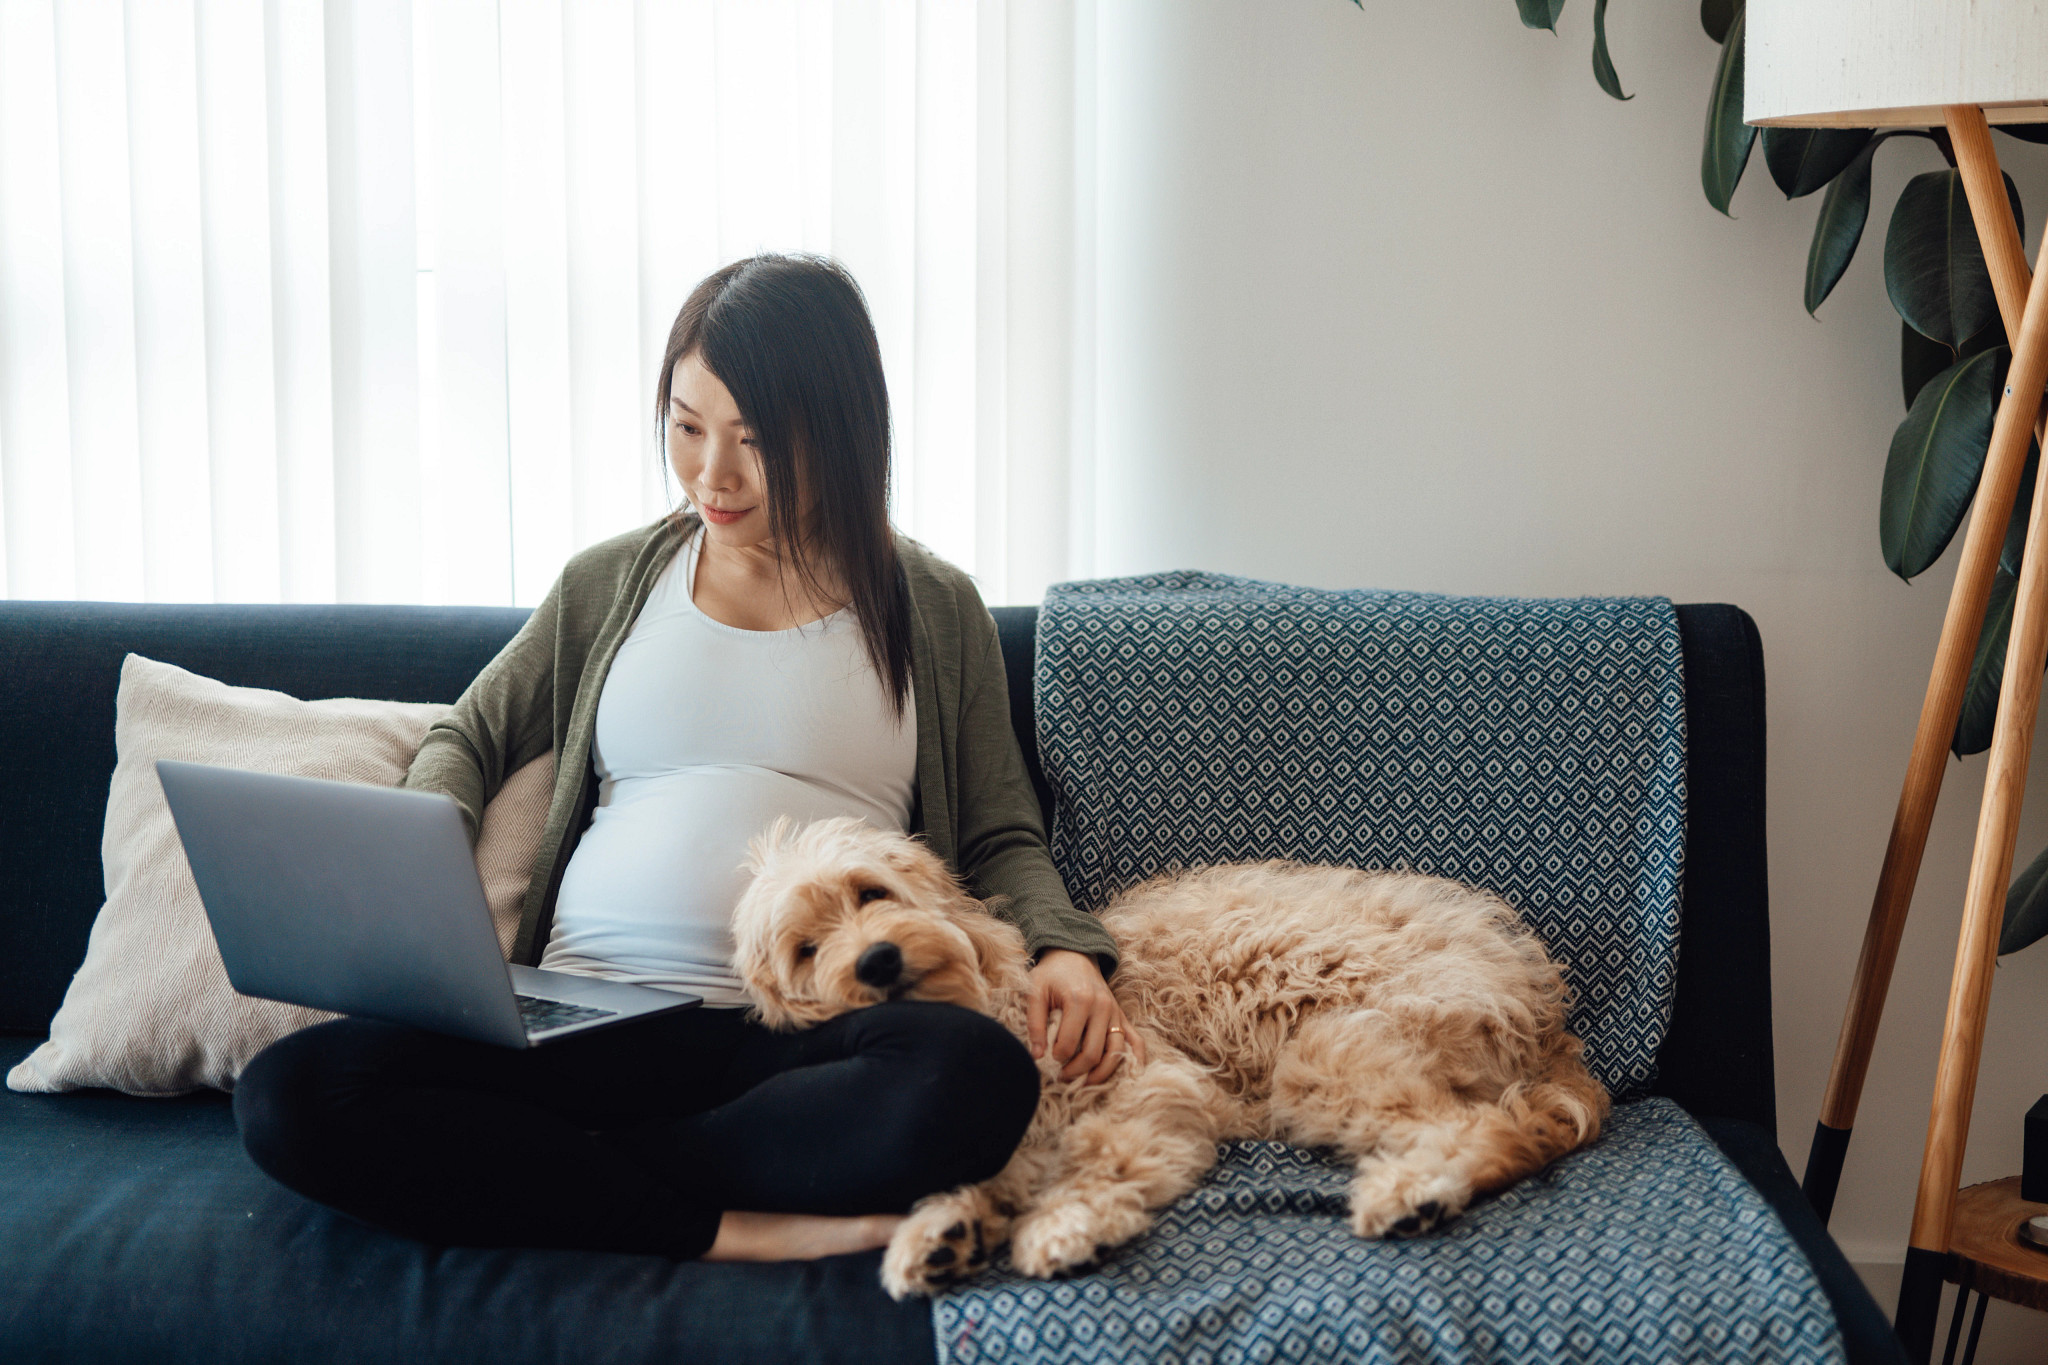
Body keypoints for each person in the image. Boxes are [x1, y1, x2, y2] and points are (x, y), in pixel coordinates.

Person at [232, 253, 1144, 1264]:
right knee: (290, 1094)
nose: (713, 473)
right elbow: (469, 736)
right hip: (574, 1020)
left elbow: (998, 831)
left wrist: (1066, 947)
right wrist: (424, 861)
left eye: (755, 441)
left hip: (793, 1041)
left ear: (840, 433)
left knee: (971, 1074)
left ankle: (550, 1175)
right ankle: (719, 1221)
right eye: (686, 425)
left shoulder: (931, 606)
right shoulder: (610, 583)